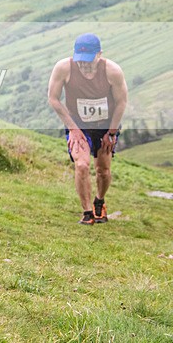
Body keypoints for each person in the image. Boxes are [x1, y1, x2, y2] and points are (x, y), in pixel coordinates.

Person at [48, 33, 128, 225]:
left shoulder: (112, 71)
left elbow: (121, 102)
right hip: (78, 125)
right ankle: (86, 213)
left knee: (103, 170)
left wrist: (112, 132)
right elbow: (53, 98)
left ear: (99, 55)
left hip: (105, 126)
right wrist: (73, 129)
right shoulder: (63, 68)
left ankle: (99, 201)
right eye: (80, 61)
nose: (84, 65)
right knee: (82, 165)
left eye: (88, 61)